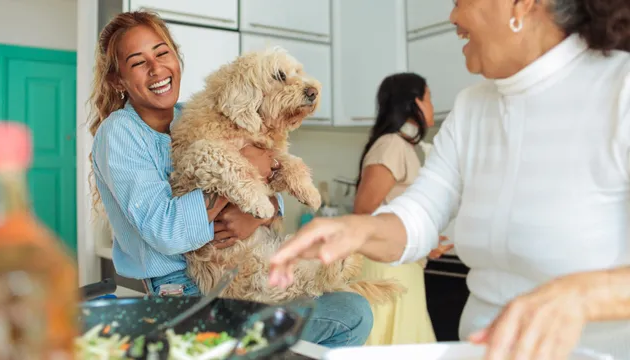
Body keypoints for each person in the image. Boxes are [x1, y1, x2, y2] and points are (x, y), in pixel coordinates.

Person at [268, 0, 630, 359]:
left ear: (520, 5)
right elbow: (421, 214)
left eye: (461, 1)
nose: (453, 17)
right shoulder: (473, 107)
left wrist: (581, 294)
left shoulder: (621, 89)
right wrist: (356, 230)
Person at [88, 11, 372, 348]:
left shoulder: (191, 114)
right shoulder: (119, 132)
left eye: (162, 53)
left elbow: (265, 185)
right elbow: (164, 230)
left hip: (240, 270)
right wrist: (245, 184)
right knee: (349, 313)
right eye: (138, 62)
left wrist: (255, 213)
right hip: (184, 293)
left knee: (350, 307)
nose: (156, 68)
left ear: (176, 57)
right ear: (118, 80)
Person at [353, 72, 452, 346]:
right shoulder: (391, 145)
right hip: (386, 269)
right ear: (415, 103)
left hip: (400, 265)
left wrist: (423, 243)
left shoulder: (405, 147)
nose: (432, 106)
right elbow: (363, 212)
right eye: (430, 98)